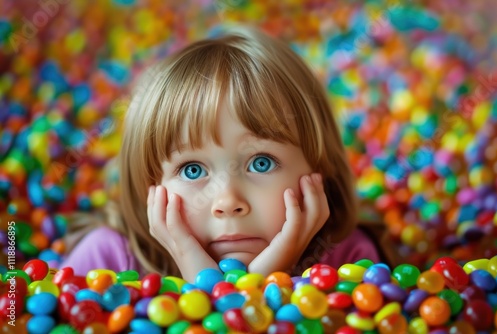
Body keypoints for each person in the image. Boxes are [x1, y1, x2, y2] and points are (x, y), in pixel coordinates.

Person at [60, 26, 381, 282]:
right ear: (148, 186)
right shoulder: (108, 265)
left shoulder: (347, 265)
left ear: (319, 171)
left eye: (261, 162)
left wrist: (253, 285)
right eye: (192, 170)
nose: (227, 201)